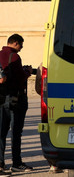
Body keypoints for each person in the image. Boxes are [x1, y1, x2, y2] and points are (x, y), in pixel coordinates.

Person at [0, 34, 34, 172]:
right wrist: (28, 72)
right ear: (14, 43)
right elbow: (20, 79)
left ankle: (0, 164)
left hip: (1, 98)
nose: (21, 47)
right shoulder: (14, 56)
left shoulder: (0, 54)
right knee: (16, 132)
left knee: (1, 132)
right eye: (21, 44)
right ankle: (16, 163)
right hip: (16, 99)